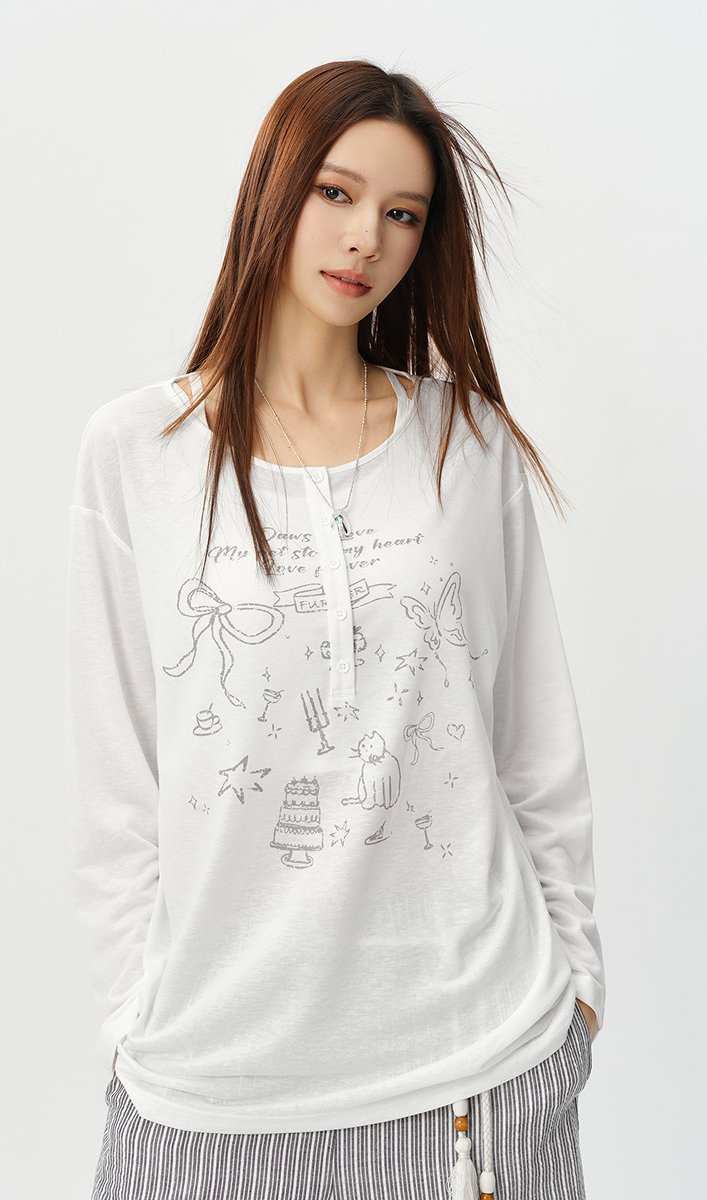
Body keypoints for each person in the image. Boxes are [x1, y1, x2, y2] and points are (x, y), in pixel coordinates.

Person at [65, 58, 605, 1200]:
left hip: (479, 1076)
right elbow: (119, 782)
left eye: (403, 214)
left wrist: (578, 991)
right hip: (209, 1092)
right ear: (275, 187)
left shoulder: (467, 445)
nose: (367, 238)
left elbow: (535, 749)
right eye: (336, 192)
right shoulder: (137, 453)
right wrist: (132, 1016)